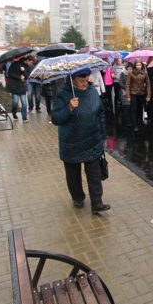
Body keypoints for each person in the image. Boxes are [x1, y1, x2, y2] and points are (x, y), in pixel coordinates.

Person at [51, 69, 110, 214]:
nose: (85, 83)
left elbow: (100, 112)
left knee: (94, 174)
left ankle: (97, 203)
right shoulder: (63, 94)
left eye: (86, 80)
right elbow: (56, 119)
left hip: (92, 139)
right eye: (81, 81)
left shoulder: (92, 91)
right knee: (73, 174)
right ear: (72, 80)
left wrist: (102, 133)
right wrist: (69, 108)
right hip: (71, 141)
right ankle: (78, 197)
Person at [6, 55, 33, 122]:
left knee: (24, 102)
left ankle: (24, 117)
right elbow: (9, 73)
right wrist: (19, 77)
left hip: (22, 86)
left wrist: (23, 71)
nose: (31, 64)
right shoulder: (15, 64)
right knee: (15, 102)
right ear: (27, 60)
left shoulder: (28, 67)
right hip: (14, 86)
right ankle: (14, 113)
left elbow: (27, 76)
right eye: (31, 62)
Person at [125, 60, 151, 131]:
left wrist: (148, 95)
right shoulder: (131, 73)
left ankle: (140, 122)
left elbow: (148, 84)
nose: (138, 66)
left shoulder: (145, 73)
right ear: (135, 65)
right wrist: (128, 95)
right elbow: (128, 84)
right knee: (134, 109)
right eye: (137, 65)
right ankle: (135, 124)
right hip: (133, 93)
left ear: (142, 65)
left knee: (140, 108)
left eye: (140, 65)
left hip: (142, 93)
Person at [119, 62, 132, 127]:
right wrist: (126, 87)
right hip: (124, 93)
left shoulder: (133, 73)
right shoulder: (123, 73)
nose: (130, 68)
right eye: (128, 67)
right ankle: (127, 121)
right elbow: (120, 82)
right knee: (127, 107)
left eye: (131, 67)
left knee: (131, 108)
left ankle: (130, 120)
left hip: (132, 93)